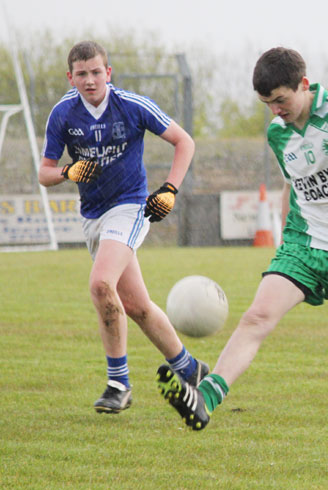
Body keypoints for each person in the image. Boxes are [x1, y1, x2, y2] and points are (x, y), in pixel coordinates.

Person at [156, 47, 328, 463]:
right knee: (256, 317)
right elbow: (293, 183)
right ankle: (206, 398)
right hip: (303, 246)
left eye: (281, 100)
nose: (276, 111)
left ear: (303, 85)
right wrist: (285, 244)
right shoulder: (277, 131)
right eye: (267, 104)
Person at [39, 40, 208, 414]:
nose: (90, 80)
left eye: (96, 72)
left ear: (108, 73)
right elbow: (44, 172)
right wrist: (67, 172)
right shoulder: (63, 114)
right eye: (81, 74)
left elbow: (184, 141)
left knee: (101, 284)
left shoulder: (131, 105)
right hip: (93, 216)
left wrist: (170, 189)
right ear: (71, 77)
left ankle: (119, 383)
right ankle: (191, 368)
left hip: (130, 206)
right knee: (135, 305)